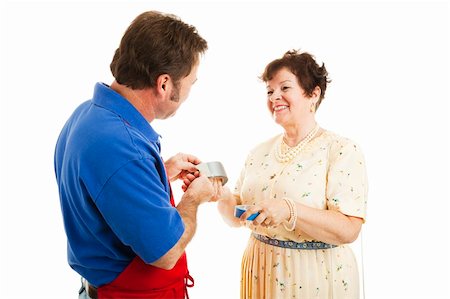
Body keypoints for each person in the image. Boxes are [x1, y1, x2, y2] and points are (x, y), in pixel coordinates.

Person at [54, 11, 222, 299]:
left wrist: (160, 172)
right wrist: (194, 198)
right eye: (191, 82)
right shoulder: (125, 148)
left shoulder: (88, 115)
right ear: (165, 84)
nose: (191, 90)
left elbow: (105, 191)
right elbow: (166, 253)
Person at [217, 50, 368, 298]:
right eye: (269, 91)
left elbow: (349, 230)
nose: (275, 97)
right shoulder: (258, 152)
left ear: (313, 93)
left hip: (315, 276)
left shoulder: (341, 150)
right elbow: (235, 217)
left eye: (284, 88)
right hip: (260, 272)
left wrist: (289, 209)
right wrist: (220, 194)